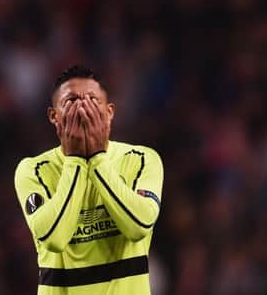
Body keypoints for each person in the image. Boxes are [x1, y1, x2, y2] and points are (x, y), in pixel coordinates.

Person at [14, 65, 164, 295]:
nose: (83, 109)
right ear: (54, 116)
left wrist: (96, 159)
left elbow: (139, 225)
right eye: (71, 101)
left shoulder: (142, 160)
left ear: (109, 112)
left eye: (92, 101)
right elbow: (53, 237)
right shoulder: (33, 170)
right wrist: (75, 160)